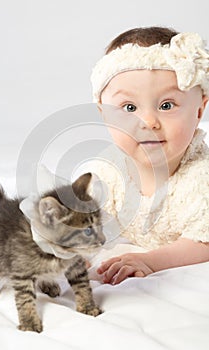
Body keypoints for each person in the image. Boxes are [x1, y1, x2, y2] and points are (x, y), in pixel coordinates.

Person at [89, 26, 209, 285]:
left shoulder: (201, 178)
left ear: (199, 110)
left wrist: (150, 261)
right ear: (104, 114)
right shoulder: (106, 173)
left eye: (167, 105)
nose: (148, 122)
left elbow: (204, 241)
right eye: (129, 107)